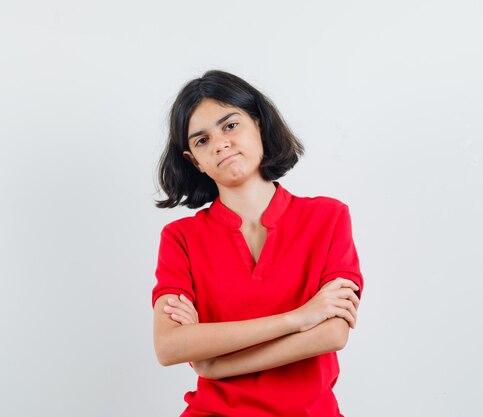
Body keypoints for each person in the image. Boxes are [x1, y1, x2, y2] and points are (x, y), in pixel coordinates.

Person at [152, 69, 363, 417]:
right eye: (201, 140)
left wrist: (214, 364)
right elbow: (169, 346)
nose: (220, 143)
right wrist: (298, 318)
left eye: (230, 125)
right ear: (194, 161)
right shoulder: (180, 239)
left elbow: (333, 334)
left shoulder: (328, 218)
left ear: (259, 125)